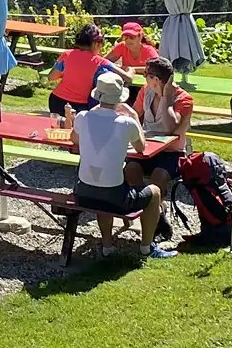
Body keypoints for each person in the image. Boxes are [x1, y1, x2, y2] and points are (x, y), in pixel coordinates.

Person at [71, 73, 175, 259]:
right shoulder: (126, 123)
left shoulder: (83, 117)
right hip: (113, 196)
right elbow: (141, 147)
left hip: (83, 192)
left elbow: (74, 139)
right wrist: (134, 116)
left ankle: (107, 246)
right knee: (154, 192)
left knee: (103, 186)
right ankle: (146, 247)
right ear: (120, 98)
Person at [132, 57, 193, 197]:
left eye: (146, 75)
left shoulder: (184, 99)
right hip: (146, 149)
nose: (144, 78)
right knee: (130, 170)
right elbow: (135, 114)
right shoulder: (145, 91)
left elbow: (169, 128)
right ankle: (137, 205)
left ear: (156, 79)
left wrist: (166, 99)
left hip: (171, 153)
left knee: (158, 177)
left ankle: (157, 209)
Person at [48, 22, 121, 117]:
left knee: (59, 129)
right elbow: (126, 76)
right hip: (80, 107)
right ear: (95, 44)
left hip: (57, 101)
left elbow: (51, 77)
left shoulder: (67, 55)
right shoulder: (101, 62)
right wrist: (131, 70)